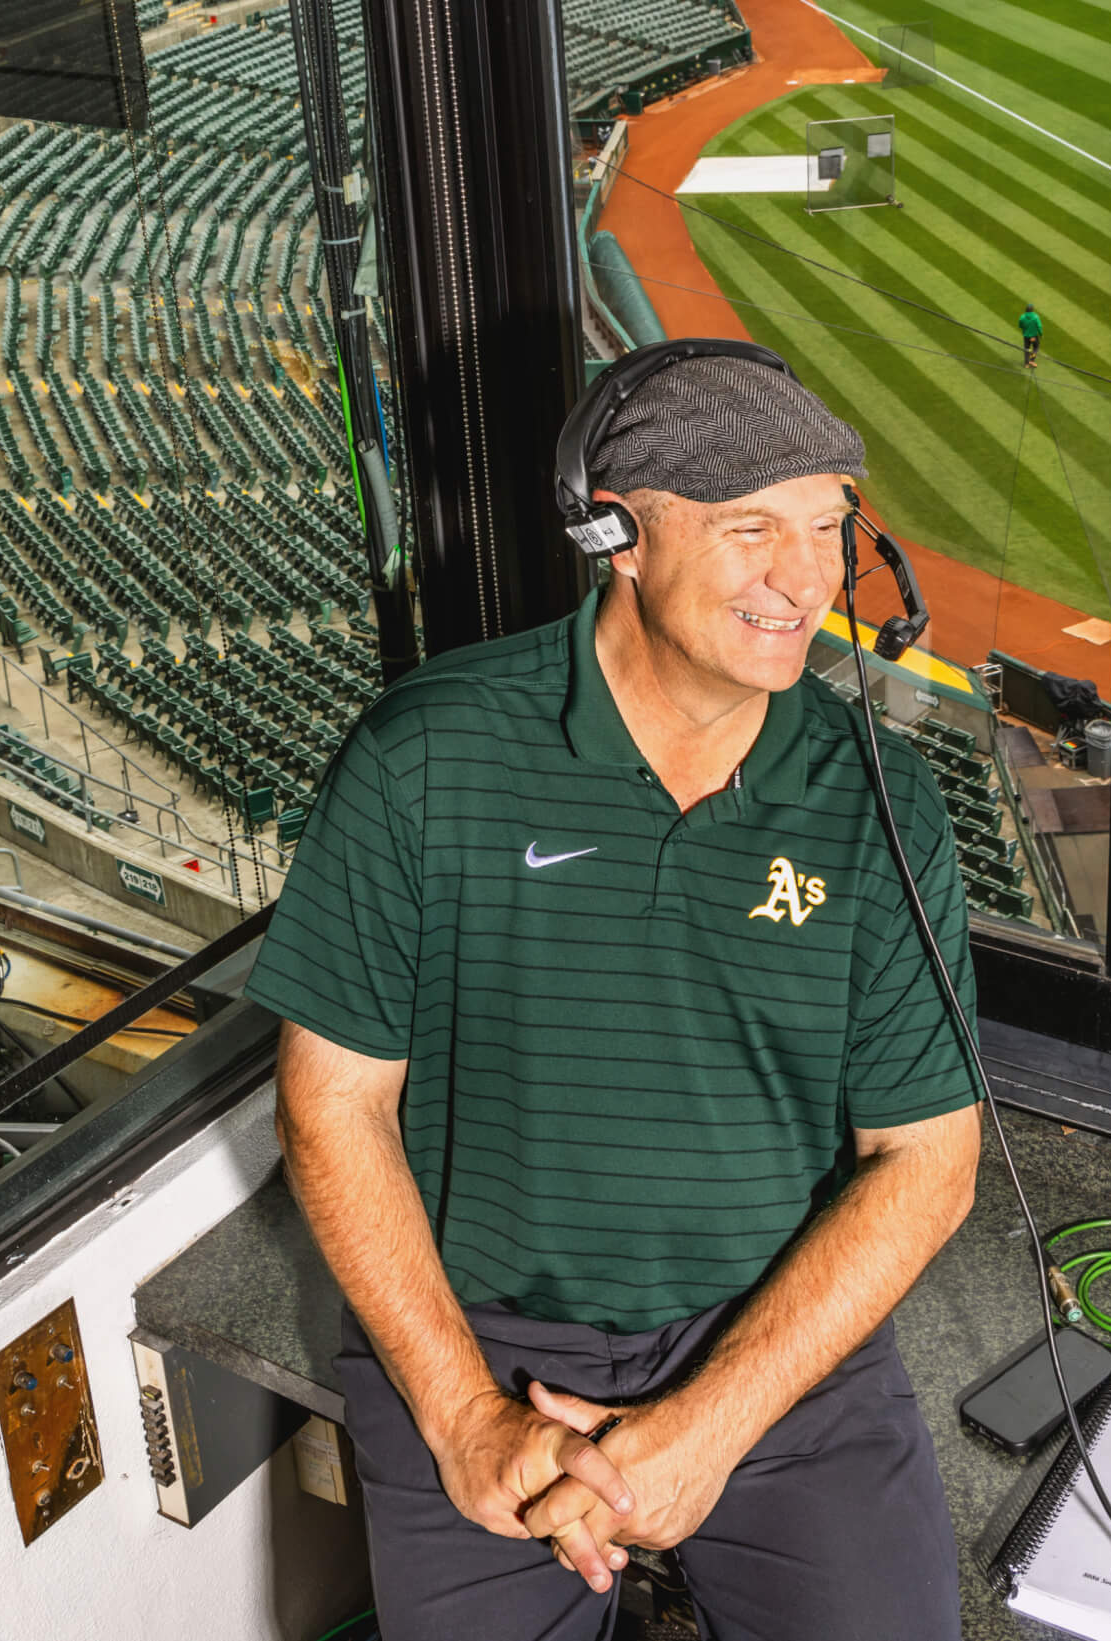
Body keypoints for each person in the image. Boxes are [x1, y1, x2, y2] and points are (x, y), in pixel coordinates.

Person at [247, 349, 981, 1640]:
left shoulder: (883, 801)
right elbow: (332, 1107)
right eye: (752, 530)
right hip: (476, 1346)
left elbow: (929, 1161)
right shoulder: (422, 755)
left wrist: (707, 1426)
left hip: (776, 1347)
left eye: (826, 530)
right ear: (616, 533)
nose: (806, 580)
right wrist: (469, 1416)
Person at [1019, 300, 1044, 368]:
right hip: (1034, 336)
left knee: (1026, 349)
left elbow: (1020, 325)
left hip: (1026, 336)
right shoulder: (1036, 317)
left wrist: (1024, 330)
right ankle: (1032, 360)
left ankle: (1026, 364)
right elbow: (1039, 326)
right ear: (1032, 310)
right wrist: (1041, 334)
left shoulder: (1022, 317)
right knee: (1036, 347)